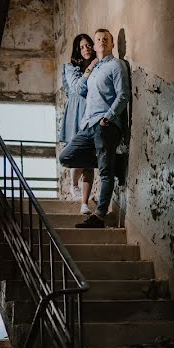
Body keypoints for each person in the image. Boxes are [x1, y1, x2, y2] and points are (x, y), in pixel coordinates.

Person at [59, 28, 130, 228]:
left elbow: (123, 95)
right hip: (87, 125)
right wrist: (90, 67)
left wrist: (107, 118)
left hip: (104, 125)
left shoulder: (117, 65)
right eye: (98, 39)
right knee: (66, 157)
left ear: (112, 44)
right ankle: (114, 162)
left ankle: (99, 216)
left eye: (105, 39)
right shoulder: (94, 69)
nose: (101, 42)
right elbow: (79, 90)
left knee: (105, 173)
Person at [59, 33, 97, 215]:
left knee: (90, 160)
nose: (86, 49)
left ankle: (84, 204)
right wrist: (91, 68)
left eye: (88, 45)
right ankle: (73, 184)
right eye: (82, 47)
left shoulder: (99, 65)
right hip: (76, 113)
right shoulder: (70, 68)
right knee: (77, 153)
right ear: (77, 50)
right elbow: (78, 88)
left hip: (92, 112)